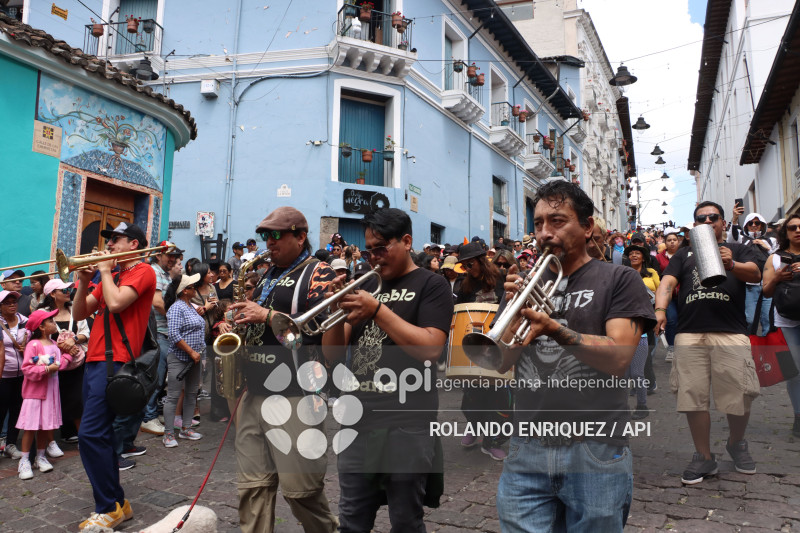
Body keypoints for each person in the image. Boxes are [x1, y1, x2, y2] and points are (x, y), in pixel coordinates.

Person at [495, 180, 655, 532]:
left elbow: (619, 359)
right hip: (527, 444)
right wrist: (512, 311)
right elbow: (502, 360)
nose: (544, 233)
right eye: (538, 224)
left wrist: (553, 328)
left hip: (595, 447)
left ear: (587, 227)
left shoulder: (619, 278)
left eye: (557, 221)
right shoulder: (525, 284)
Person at [321, 207, 453, 532]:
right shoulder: (369, 286)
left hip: (407, 422)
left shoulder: (431, 285)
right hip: (357, 420)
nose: (373, 258)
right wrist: (333, 309)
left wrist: (377, 309)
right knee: (351, 520)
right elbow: (333, 356)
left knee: (406, 521)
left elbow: (431, 348)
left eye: (381, 248)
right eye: (369, 250)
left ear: (406, 241)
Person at [228, 206, 338, 533]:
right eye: (265, 236)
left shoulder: (319, 273)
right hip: (254, 391)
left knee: (301, 492)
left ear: (300, 236)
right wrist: (236, 327)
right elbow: (260, 325)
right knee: (253, 489)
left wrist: (265, 315)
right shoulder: (266, 275)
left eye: (276, 235)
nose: (269, 243)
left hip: (295, 395)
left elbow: (320, 332)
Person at [655, 201, 761, 485]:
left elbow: (756, 274)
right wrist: (660, 310)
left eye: (713, 217)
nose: (708, 221)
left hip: (730, 330)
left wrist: (732, 263)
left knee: (740, 395)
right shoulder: (684, 253)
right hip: (690, 332)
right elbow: (667, 283)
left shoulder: (738, 249)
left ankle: (736, 442)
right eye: (701, 219)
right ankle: (703, 456)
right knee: (692, 396)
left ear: (723, 223)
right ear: (693, 227)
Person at [72, 221, 156, 530]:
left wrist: (104, 271)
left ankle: (107, 507)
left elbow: (118, 303)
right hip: (95, 361)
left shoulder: (143, 271)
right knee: (101, 435)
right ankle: (118, 503)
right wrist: (84, 281)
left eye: (115, 240)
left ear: (133, 244)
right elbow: (81, 312)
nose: (109, 245)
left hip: (117, 363)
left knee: (90, 435)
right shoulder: (114, 274)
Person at [455, 242, 510, 460]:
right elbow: (458, 314)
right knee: (472, 396)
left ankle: (492, 441)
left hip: (499, 344)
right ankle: (474, 426)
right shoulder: (465, 286)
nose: (467, 269)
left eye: (470, 264)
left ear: (481, 261)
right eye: (464, 266)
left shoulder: (502, 280)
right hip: (475, 348)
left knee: (500, 399)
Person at [16, 309, 73, 480]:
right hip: (35, 394)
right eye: (51, 321)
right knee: (30, 427)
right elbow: (27, 368)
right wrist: (46, 368)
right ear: (41, 326)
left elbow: (59, 364)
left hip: (50, 392)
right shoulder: (34, 345)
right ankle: (25, 459)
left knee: (44, 426)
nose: (54, 324)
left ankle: (40, 456)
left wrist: (69, 357)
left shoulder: (54, 345)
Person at [761, 213, 800, 436]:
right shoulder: (774, 259)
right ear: (785, 233)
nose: (797, 230)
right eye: (792, 227)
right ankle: (798, 416)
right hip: (786, 321)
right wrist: (777, 277)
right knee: (795, 372)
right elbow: (766, 290)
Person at [140, 242, 181, 437]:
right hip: (157, 332)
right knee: (155, 377)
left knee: (160, 376)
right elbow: (157, 303)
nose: (173, 260)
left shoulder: (163, 274)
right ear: (158, 256)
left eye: (175, 257)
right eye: (169, 256)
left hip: (163, 331)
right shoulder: (154, 272)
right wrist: (177, 319)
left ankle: (152, 412)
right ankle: (148, 417)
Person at [43, 279, 89, 448]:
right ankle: (56, 439)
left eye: (68, 289)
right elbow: (40, 336)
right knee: (54, 400)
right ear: (52, 294)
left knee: (78, 398)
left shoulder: (74, 309)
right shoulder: (43, 312)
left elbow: (86, 332)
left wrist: (74, 340)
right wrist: (62, 347)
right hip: (54, 364)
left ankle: (83, 437)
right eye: (62, 290)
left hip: (77, 363)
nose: (67, 292)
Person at [162, 273, 205, 447]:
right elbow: (173, 334)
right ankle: (168, 434)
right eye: (192, 287)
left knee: (192, 393)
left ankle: (186, 428)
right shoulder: (176, 308)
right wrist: (191, 352)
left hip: (194, 358)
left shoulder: (190, 306)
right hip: (180, 358)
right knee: (172, 395)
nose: (195, 288)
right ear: (185, 291)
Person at [623, 243, 660, 419]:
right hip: (622, 334)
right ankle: (620, 408)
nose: (634, 256)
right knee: (623, 375)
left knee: (638, 372)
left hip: (642, 330)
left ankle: (642, 405)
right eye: (631, 253)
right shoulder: (621, 275)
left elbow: (657, 294)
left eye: (638, 253)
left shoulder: (650, 274)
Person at [729, 210, 778, 335]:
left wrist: (767, 248)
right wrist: (734, 220)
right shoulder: (742, 240)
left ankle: (766, 350)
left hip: (768, 284)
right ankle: (750, 344)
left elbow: (778, 260)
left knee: (768, 320)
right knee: (750, 319)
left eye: (757, 223)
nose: (754, 225)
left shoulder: (771, 241)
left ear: (762, 225)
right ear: (746, 226)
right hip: (749, 286)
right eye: (751, 223)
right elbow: (732, 240)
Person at [0, 290, 29, 461]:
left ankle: (11, 444)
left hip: (22, 374)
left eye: (14, 302)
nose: (12, 304)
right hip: (4, 375)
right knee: (1, 410)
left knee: (17, 410)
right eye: (7, 302)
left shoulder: (25, 321)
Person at [656, 228, 682, 361]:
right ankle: (671, 347)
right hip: (668, 296)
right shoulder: (659, 258)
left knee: (683, 320)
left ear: (678, 241)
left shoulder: (683, 255)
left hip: (683, 293)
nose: (672, 242)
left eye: (674, 240)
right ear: (665, 243)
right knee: (671, 320)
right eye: (669, 240)